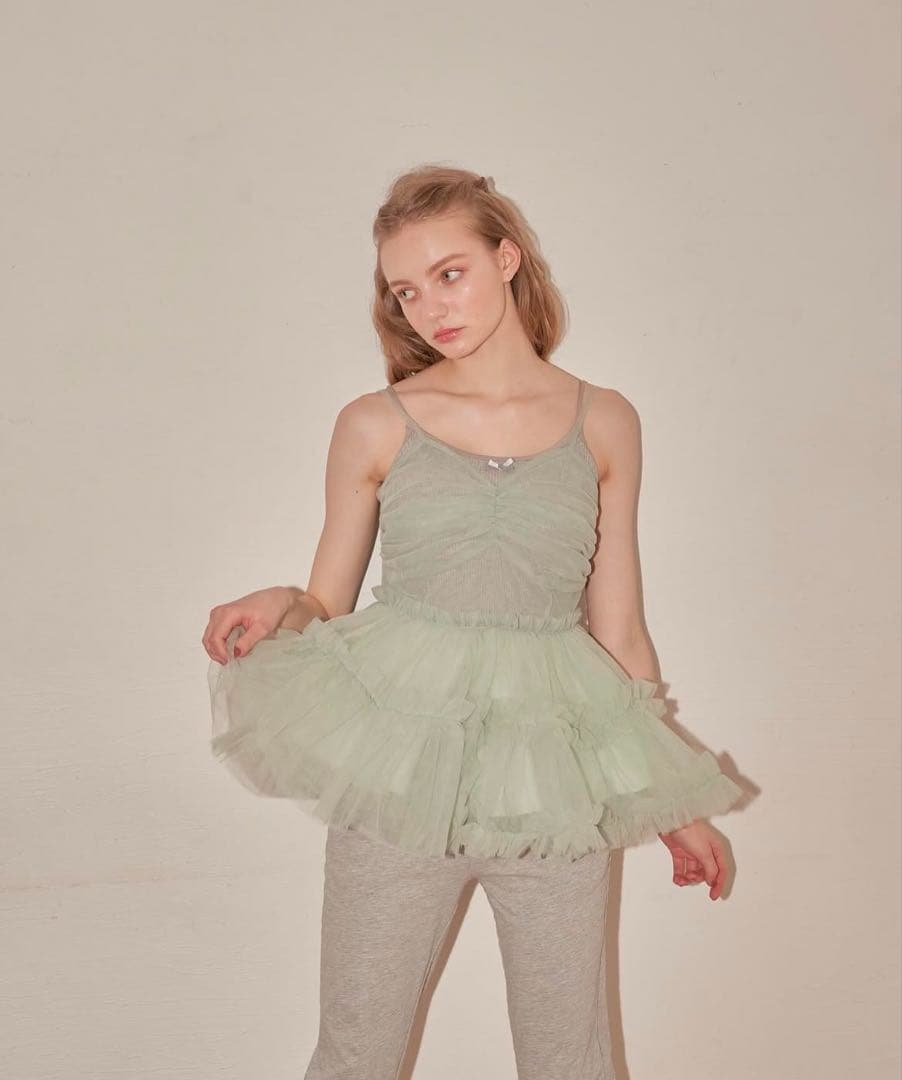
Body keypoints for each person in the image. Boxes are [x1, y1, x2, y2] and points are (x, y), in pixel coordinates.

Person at [201, 165, 744, 1079]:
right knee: (358, 1050)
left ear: (507, 258)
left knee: (571, 1057)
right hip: (403, 775)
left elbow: (619, 632)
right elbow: (324, 604)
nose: (429, 308)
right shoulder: (374, 424)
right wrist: (278, 603)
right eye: (406, 291)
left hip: (550, 785)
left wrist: (674, 803)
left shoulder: (606, 421)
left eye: (448, 274)